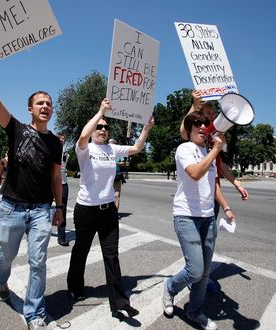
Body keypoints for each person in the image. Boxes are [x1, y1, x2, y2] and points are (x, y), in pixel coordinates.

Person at [66, 98, 154, 320]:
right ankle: (75, 286)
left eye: (106, 127)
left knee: (111, 255)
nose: (103, 129)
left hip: (108, 212)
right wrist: (100, 112)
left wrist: (146, 128)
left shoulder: (111, 149)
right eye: (100, 126)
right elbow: (82, 136)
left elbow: (136, 148)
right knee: (81, 251)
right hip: (86, 210)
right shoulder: (84, 149)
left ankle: (120, 303)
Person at [0, 81, 64, 329]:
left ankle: (34, 314)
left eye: (49, 104)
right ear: (30, 109)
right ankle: (0, 281)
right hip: (12, 207)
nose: (45, 106)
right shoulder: (16, 129)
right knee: (6, 256)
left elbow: (56, 177)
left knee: (38, 261)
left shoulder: (56, 143)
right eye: (40, 103)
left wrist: (60, 207)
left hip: (41, 210)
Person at [163, 111, 235, 330]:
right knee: (194, 270)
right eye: (197, 123)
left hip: (208, 218)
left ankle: (194, 311)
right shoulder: (184, 149)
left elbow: (212, 185)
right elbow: (195, 173)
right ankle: (170, 287)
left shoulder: (207, 152)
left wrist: (226, 207)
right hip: (186, 216)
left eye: (206, 123)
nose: (203, 127)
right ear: (189, 128)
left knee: (204, 273)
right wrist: (214, 150)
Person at [57, 133, 70, 246]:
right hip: (50, 183)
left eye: (63, 138)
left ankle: (62, 237)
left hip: (63, 183)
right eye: (60, 138)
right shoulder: (50, 151)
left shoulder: (66, 154)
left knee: (63, 209)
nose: (62, 140)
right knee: (44, 207)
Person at [108, 138, 127, 210]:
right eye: (109, 144)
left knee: (116, 194)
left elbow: (123, 163)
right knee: (106, 194)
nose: (111, 145)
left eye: (112, 143)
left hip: (116, 176)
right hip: (106, 176)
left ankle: (115, 212)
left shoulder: (119, 154)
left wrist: (115, 163)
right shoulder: (105, 153)